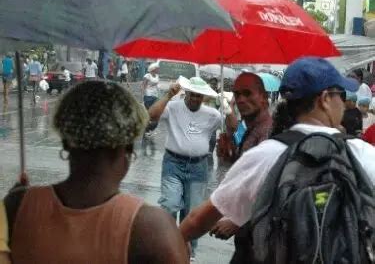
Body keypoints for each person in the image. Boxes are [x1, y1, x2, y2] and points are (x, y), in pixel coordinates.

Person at [180, 57, 375, 262]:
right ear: (325, 99)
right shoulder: (361, 153)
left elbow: (197, 221)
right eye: (340, 96)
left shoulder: (266, 155)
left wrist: (174, 240)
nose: (343, 104)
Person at [3, 81, 189, 264]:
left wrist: (18, 198)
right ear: (127, 148)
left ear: (66, 141)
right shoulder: (153, 228)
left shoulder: (17, 206)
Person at [148, 77, 220, 261]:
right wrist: (168, 95)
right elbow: (152, 116)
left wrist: (226, 107)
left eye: (199, 96)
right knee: (170, 205)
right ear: (186, 93)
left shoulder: (212, 114)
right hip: (173, 163)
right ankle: (167, 244)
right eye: (192, 95)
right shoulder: (173, 107)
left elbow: (232, 128)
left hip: (198, 167)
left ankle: (189, 253)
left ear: (203, 97)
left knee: (191, 214)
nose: (195, 99)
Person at [210, 72, 273, 240]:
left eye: (248, 93)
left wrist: (237, 221)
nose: (241, 100)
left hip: (261, 235)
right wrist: (230, 155)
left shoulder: (267, 131)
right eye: (237, 94)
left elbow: (268, 186)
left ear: (263, 97)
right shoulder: (250, 128)